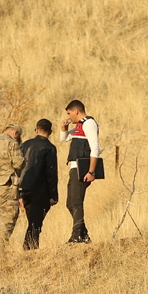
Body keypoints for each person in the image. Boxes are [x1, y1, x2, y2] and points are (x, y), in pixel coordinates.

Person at [59, 100, 101, 244]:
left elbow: (95, 147)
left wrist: (91, 171)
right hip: (74, 168)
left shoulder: (89, 123)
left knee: (76, 202)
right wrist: (64, 128)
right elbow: (63, 139)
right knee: (70, 203)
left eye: (69, 113)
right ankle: (84, 235)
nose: (69, 116)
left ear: (76, 111)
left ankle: (77, 235)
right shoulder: (79, 125)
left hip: (82, 169)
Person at [19, 119, 60, 250]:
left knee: (33, 220)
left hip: (23, 188)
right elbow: (51, 172)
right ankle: (29, 249)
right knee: (35, 223)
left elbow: (18, 168)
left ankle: (31, 248)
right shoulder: (49, 148)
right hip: (40, 190)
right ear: (51, 132)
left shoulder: (24, 145)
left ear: (36, 130)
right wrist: (53, 194)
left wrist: (18, 192)